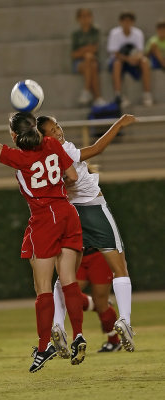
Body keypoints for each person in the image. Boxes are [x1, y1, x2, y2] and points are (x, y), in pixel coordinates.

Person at [0, 93, 85, 373]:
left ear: (14, 135)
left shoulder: (18, 157)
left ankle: (44, 345)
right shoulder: (50, 143)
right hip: (67, 212)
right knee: (70, 280)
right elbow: (72, 177)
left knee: (43, 287)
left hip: (44, 218)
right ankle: (79, 336)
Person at [37, 113, 137, 354]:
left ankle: (58, 325)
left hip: (68, 213)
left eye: (57, 126)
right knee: (120, 268)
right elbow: (98, 148)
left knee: (65, 275)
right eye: (52, 130)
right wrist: (119, 124)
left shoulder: (42, 156)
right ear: (44, 137)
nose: (58, 131)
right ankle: (124, 320)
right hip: (93, 209)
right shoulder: (63, 151)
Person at [53, 248, 121, 356]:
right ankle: (76, 334)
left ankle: (114, 341)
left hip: (98, 254)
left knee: (101, 304)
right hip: (75, 254)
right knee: (67, 293)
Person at [107, 11, 153, 107]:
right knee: (117, 63)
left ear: (133, 22)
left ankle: (147, 94)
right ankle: (118, 95)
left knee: (145, 61)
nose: (126, 23)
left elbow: (140, 52)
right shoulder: (114, 33)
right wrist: (128, 59)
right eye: (124, 21)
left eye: (129, 21)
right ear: (120, 22)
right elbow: (115, 53)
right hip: (120, 61)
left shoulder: (138, 33)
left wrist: (136, 58)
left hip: (133, 61)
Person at [71, 8, 106, 107]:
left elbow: (95, 48)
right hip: (78, 63)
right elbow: (74, 54)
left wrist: (82, 50)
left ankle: (86, 91)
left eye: (88, 16)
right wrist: (87, 50)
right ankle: (98, 97)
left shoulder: (95, 31)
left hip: (93, 60)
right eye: (83, 16)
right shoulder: (75, 34)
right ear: (78, 19)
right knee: (90, 61)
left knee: (91, 62)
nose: (86, 19)